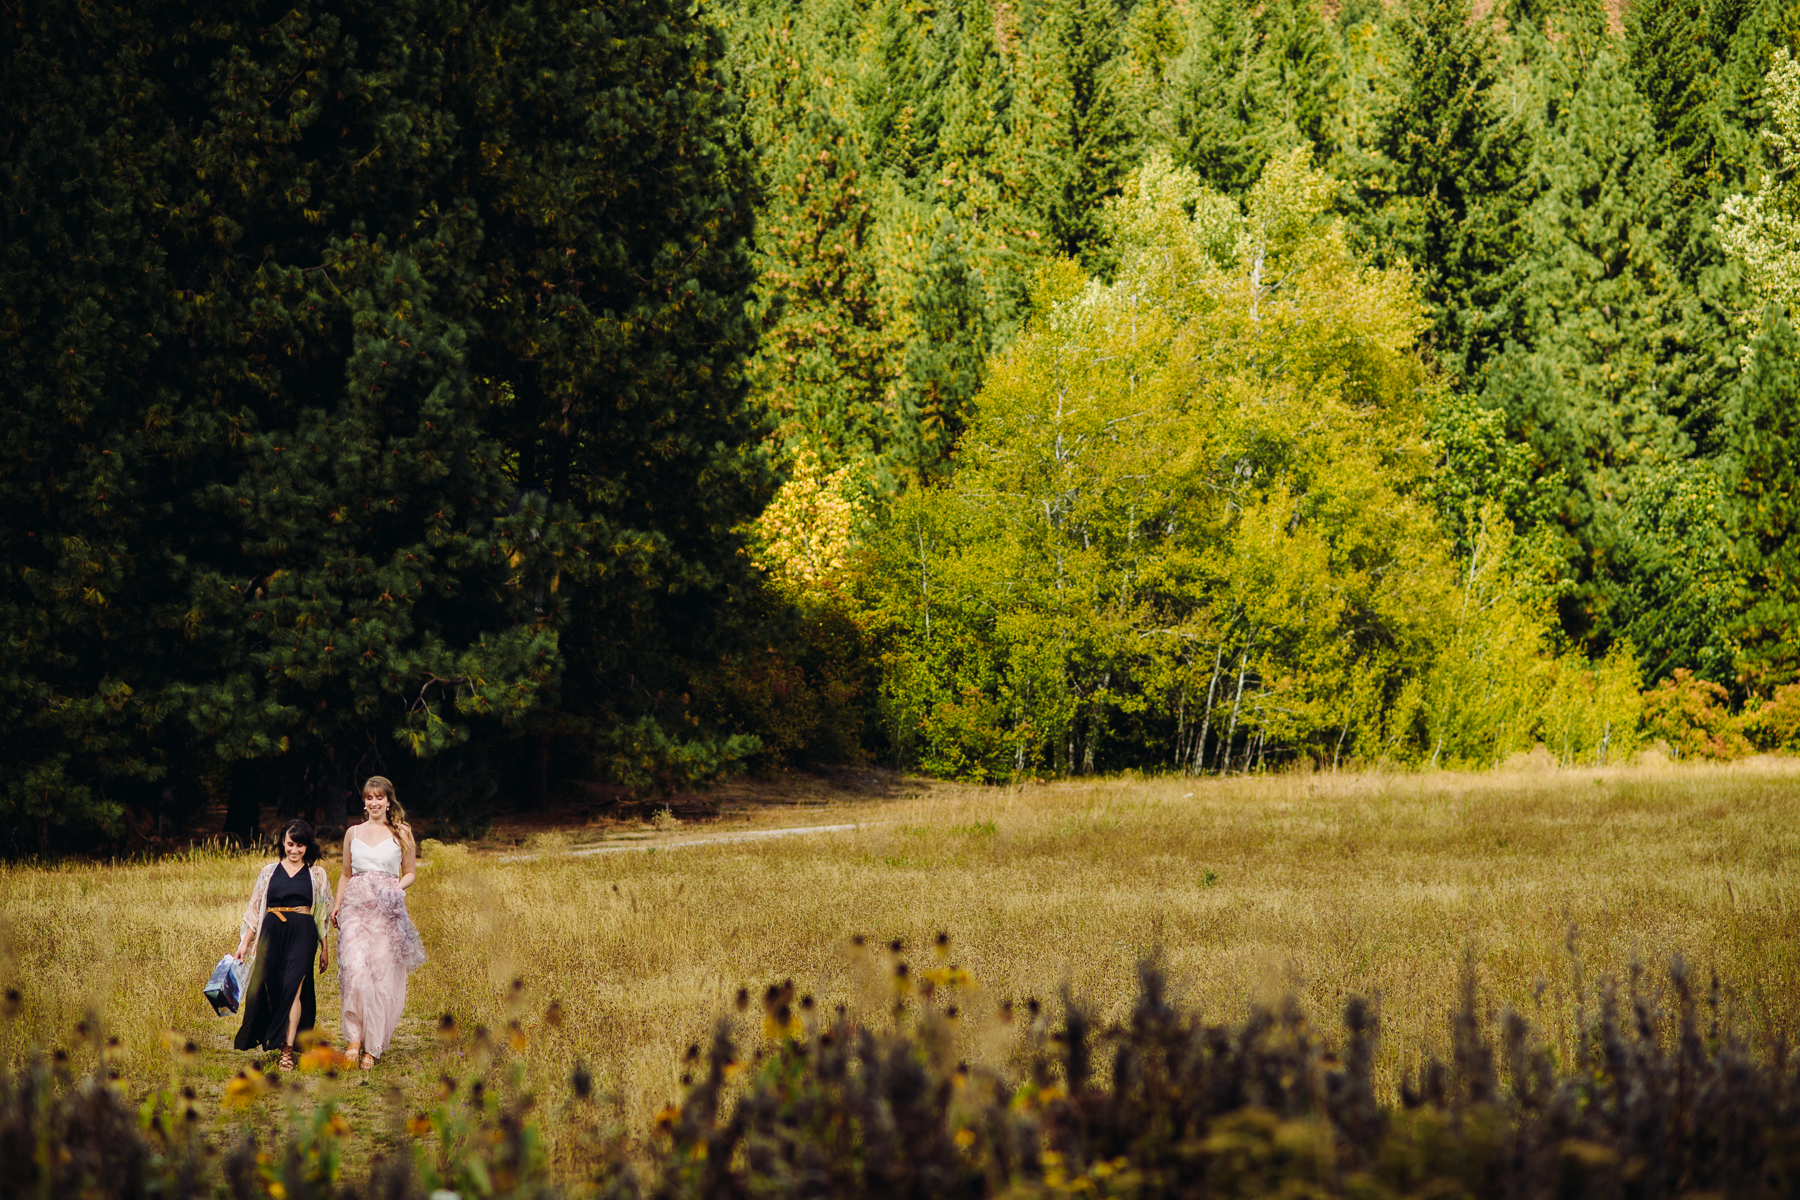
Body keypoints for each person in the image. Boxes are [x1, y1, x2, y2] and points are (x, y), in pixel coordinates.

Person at [330, 775, 427, 1070]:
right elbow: (346, 873)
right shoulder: (353, 833)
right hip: (355, 908)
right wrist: (336, 905)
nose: (373, 803)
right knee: (355, 969)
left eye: (379, 798)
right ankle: (354, 1038)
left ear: (388, 801)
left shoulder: (402, 833)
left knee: (380, 975)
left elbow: (410, 872)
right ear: (364, 802)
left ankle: (373, 1045)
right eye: (369, 798)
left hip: (386, 908)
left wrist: (397, 888)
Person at [233, 820, 333, 1070]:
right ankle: (274, 1036)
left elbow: (320, 913)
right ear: (283, 843)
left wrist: (325, 947)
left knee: (293, 989)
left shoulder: (316, 874)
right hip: (272, 932)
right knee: (272, 987)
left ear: (307, 846)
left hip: (302, 932)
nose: (295, 850)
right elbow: (255, 909)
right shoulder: (269, 872)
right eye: (290, 844)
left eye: (300, 845)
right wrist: (245, 944)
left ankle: (287, 1050)